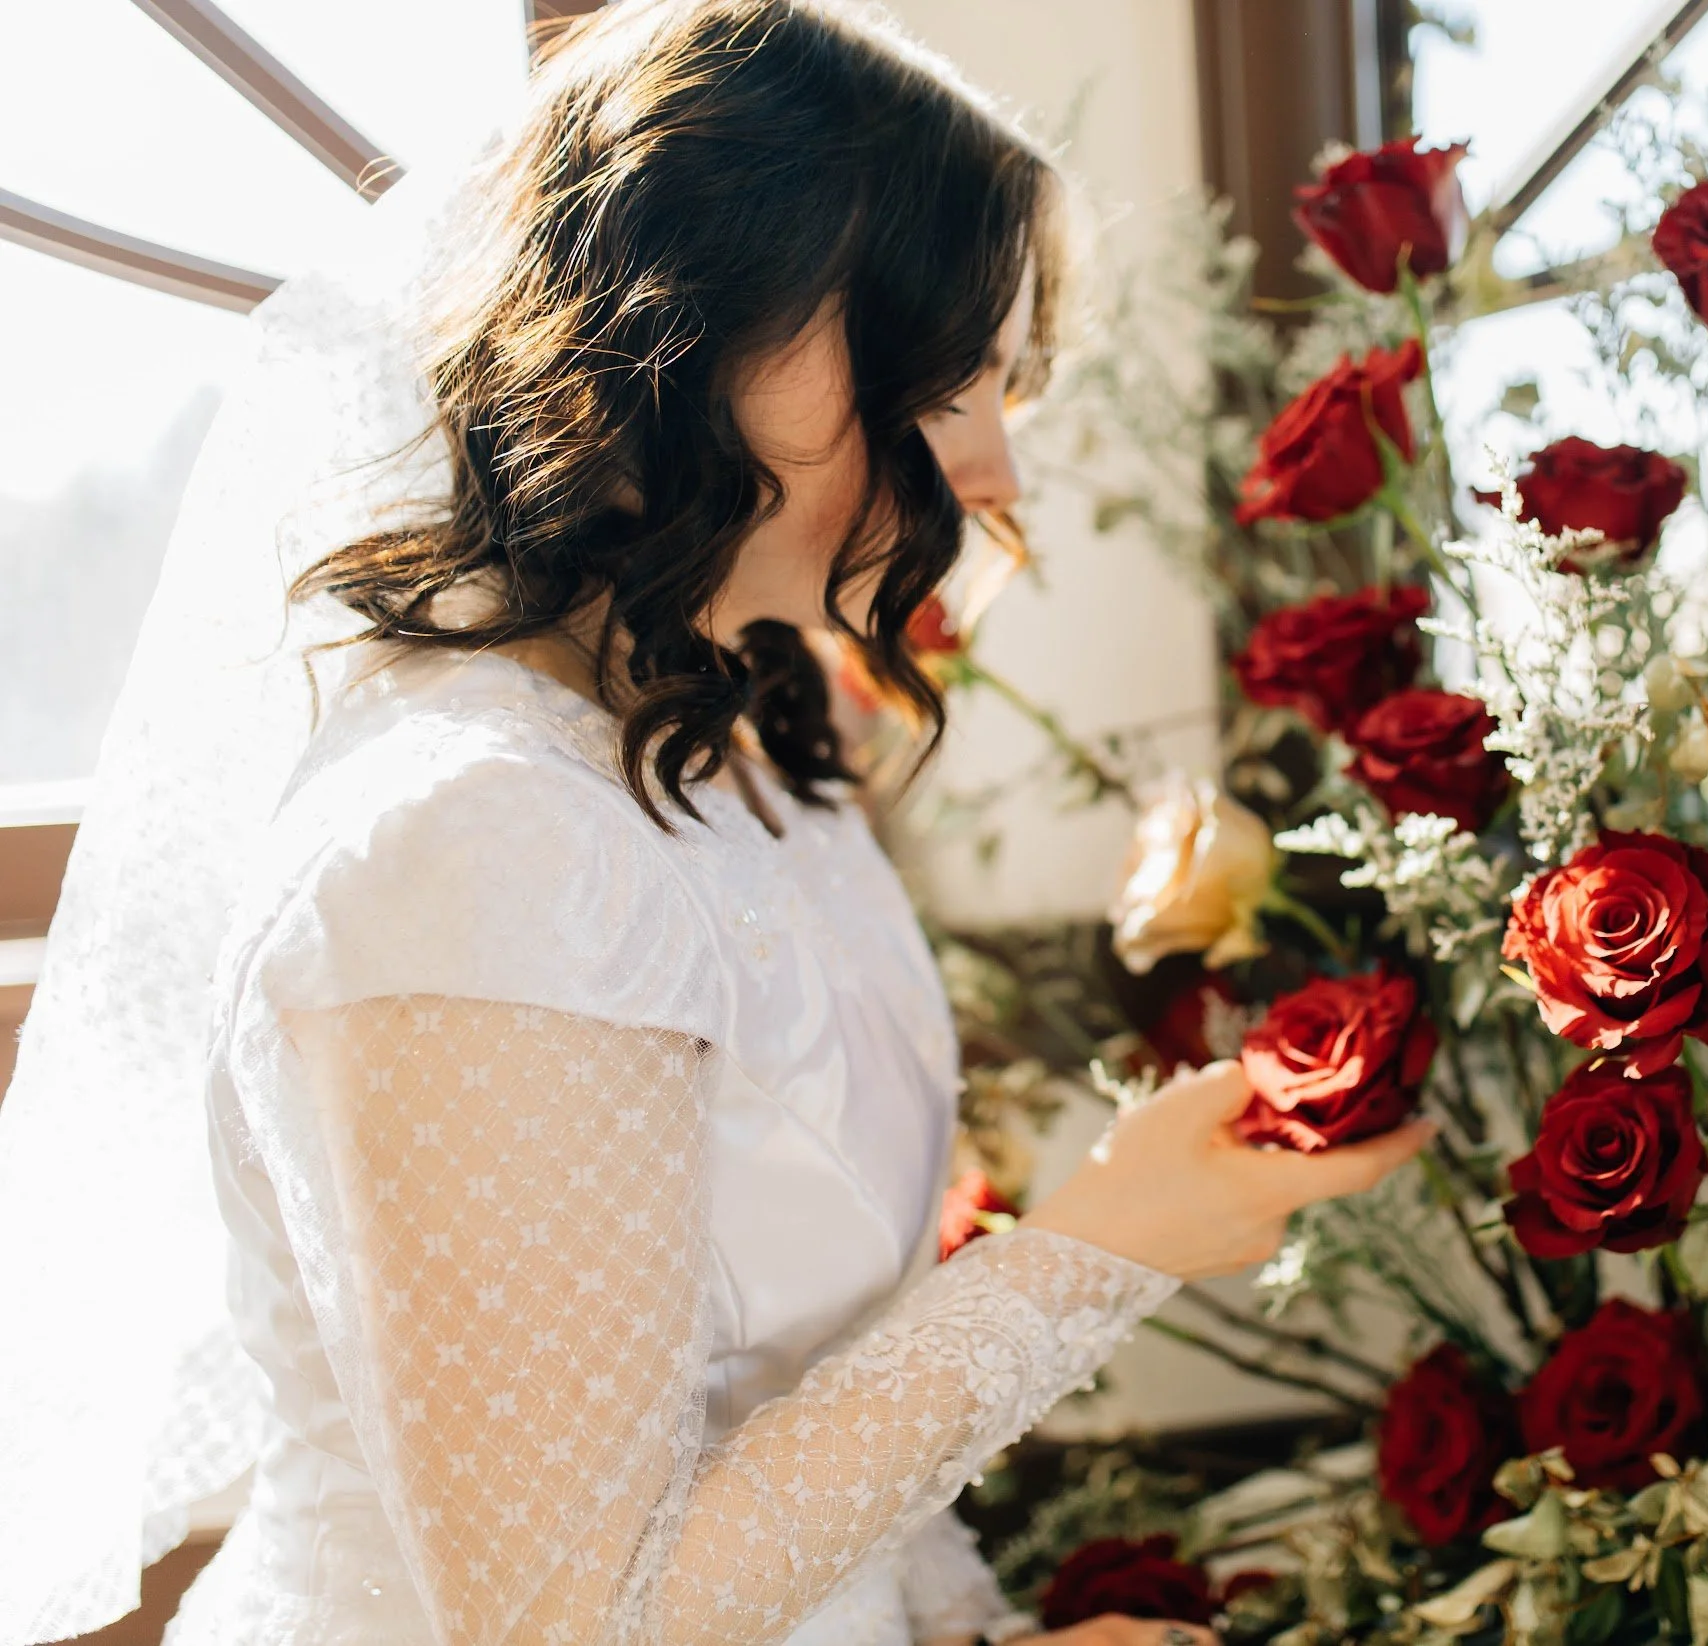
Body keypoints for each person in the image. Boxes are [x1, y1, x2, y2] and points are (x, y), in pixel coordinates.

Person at [0, 4, 1430, 1643]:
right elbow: (572, 1620)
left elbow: (802, 1407)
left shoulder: (736, 745)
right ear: (687, 337)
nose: (1000, 472)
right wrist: (1103, 1244)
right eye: (951, 382)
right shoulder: (472, 840)